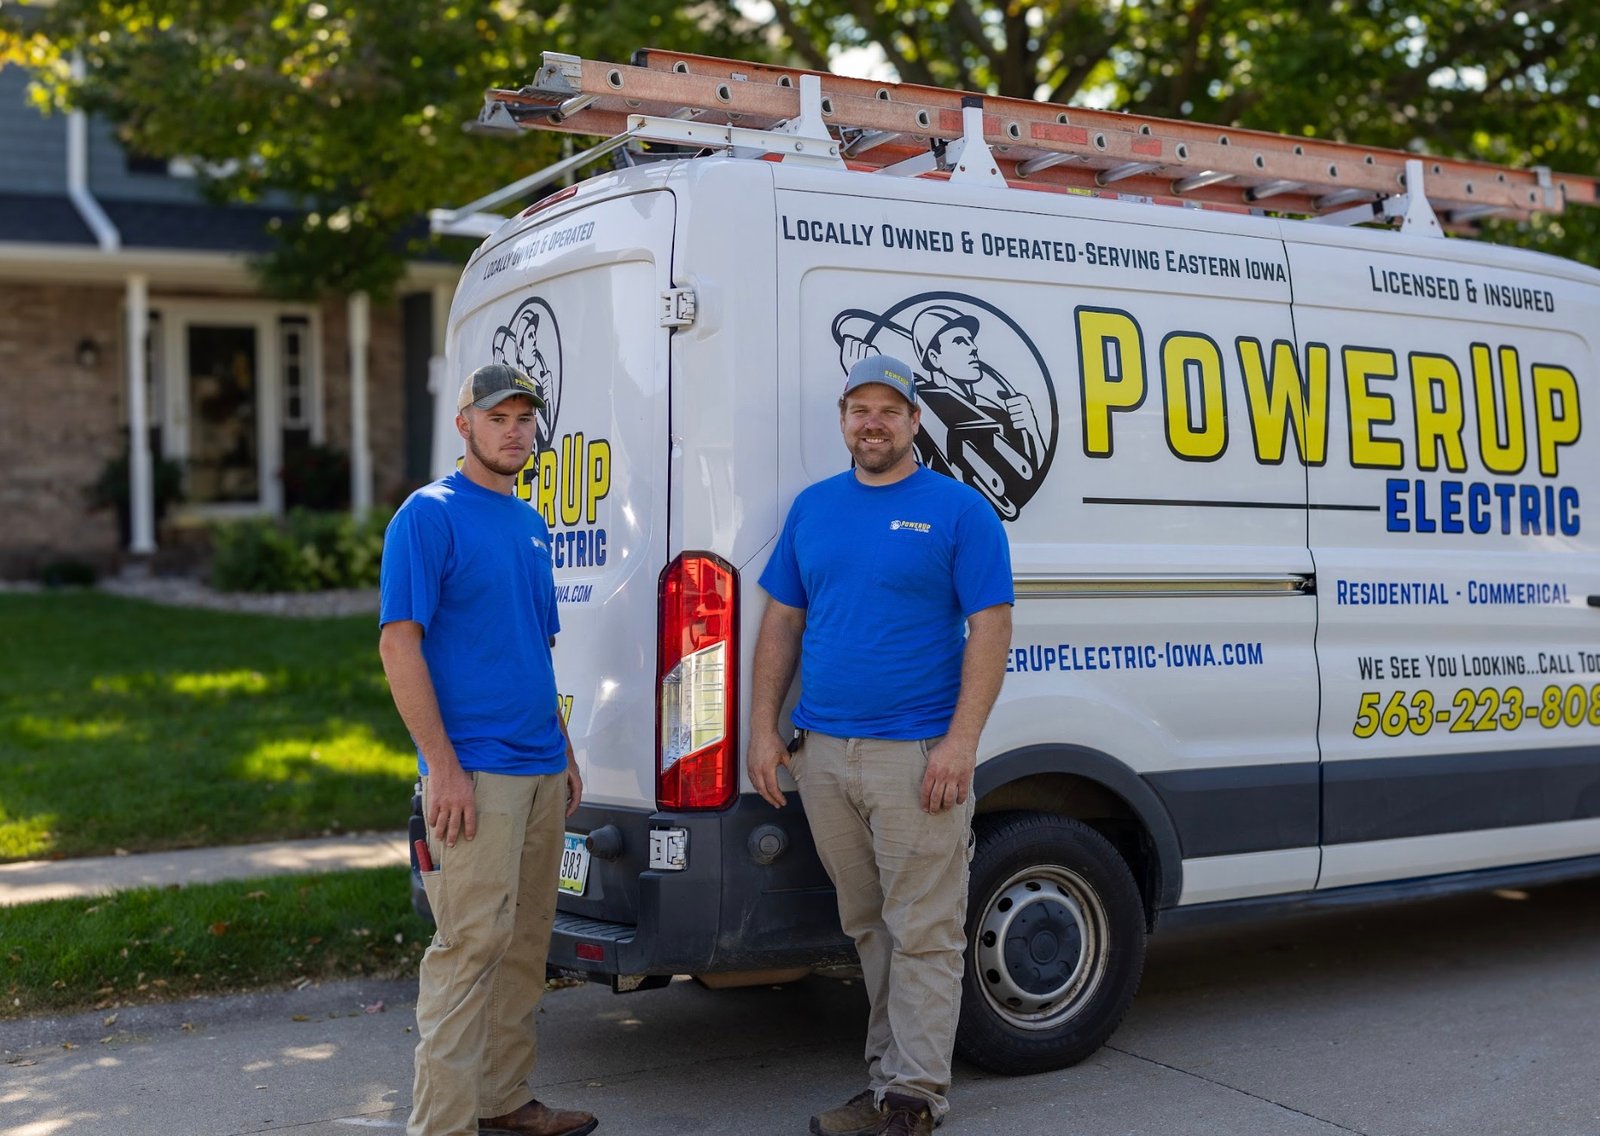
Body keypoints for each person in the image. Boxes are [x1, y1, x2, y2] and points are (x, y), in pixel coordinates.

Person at [747, 354, 1014, 1136]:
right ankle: (888, 1085)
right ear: (842, 419)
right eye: (858, 409)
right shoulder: (813, 509)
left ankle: (914, 1097)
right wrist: (765, 727)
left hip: (916, 756)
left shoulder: (960, 512)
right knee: (868, 925)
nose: (872, 422)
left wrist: (960, 745)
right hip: (824, 754)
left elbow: (990, 627)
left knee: (924, 927)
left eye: (888, 410)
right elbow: (783, 623)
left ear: (914, 421)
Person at [379, 362, 597, 1136]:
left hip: (539, 768)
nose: (515, 430)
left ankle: (505, 1100)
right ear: (464, 423)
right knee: (468, 949)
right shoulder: (427, 515)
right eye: (498, 417)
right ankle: (441, 1125)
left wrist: (564, 749)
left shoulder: (530, 522)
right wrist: (442, 767)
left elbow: (535, 648)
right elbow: (400, 645)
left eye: (524, 418)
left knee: (524, 946)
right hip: (473, 772)